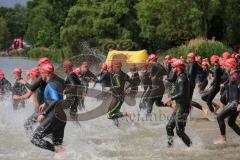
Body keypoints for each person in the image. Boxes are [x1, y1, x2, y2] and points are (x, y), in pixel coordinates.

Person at [31, 63, 66, 155]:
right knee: (58, 145)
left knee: (35, 138)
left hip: (53, 116)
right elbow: (58, 96)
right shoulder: (58, 82)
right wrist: (46, 103)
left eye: (41, 73)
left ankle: (59, 151)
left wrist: (44, 113)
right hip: (61, 117)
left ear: (46, 73)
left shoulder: (51, 85)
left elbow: (56, 99)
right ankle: (61, 153)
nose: (40, 75)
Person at [164, 59, 192, 147]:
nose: (172, 69)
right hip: (179, 107)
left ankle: (191, 148)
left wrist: (170, 98)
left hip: (183, 108)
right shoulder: (179, 76)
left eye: (173, 67)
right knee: (169, 127)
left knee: (180, 131)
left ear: (178, 68)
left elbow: (182, 93)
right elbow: (172, 79)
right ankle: (170, 146)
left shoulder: (182, 78)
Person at [13, 67, 42, 136]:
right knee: (37, 126)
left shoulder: (35, 84)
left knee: (27, 125)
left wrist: (18, 97)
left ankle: (31, 139)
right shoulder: (39, 82)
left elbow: (28, 95)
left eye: (30, 74)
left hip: (39, 111)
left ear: (34, 75)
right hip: (39, 110)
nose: (28, 76)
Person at [216, 58, 240, 144]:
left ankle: (223, 139)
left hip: (235, 103)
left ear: (231, 66)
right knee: (231, 122)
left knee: (219, 117)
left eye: (226, 66)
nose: (224, 67)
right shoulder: (232, 75)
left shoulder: (236, 76)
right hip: (233, 102)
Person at [103, 61, 132, 127]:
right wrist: (127, 89)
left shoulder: (116, 75)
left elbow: (118, 85)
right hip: (118, 97)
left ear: (116, 67)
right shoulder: (124, 74)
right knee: (114, 113)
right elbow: (132, 82)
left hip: (117, 98)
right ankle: (118, 127)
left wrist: (109, 88)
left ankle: (127, 114)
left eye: (111, 67)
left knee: (109, 115)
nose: (109, 68)